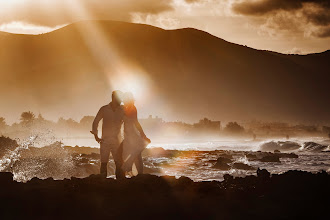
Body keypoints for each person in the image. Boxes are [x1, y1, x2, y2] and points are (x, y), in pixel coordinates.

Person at [90, 90, 125, 179]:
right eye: (119, 99)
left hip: (118, 141)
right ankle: (103, 182)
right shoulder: (104, 109)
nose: (121, 101)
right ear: (113, 98)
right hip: (105, 140)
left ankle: (120, 182)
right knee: (104, 163)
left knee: (119, 163)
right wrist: (96, 136)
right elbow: (95, 121)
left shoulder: (122, 109)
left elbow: (128, 123)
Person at [121, 92, 150, 175]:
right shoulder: (125, 108)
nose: (124, 101)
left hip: (133, 134)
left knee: (136, 154)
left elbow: (136, 122)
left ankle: (138, 174)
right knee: (134, 154)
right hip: (127, 135)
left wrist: (143, 135)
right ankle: (136, 173)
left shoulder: (132, 108)